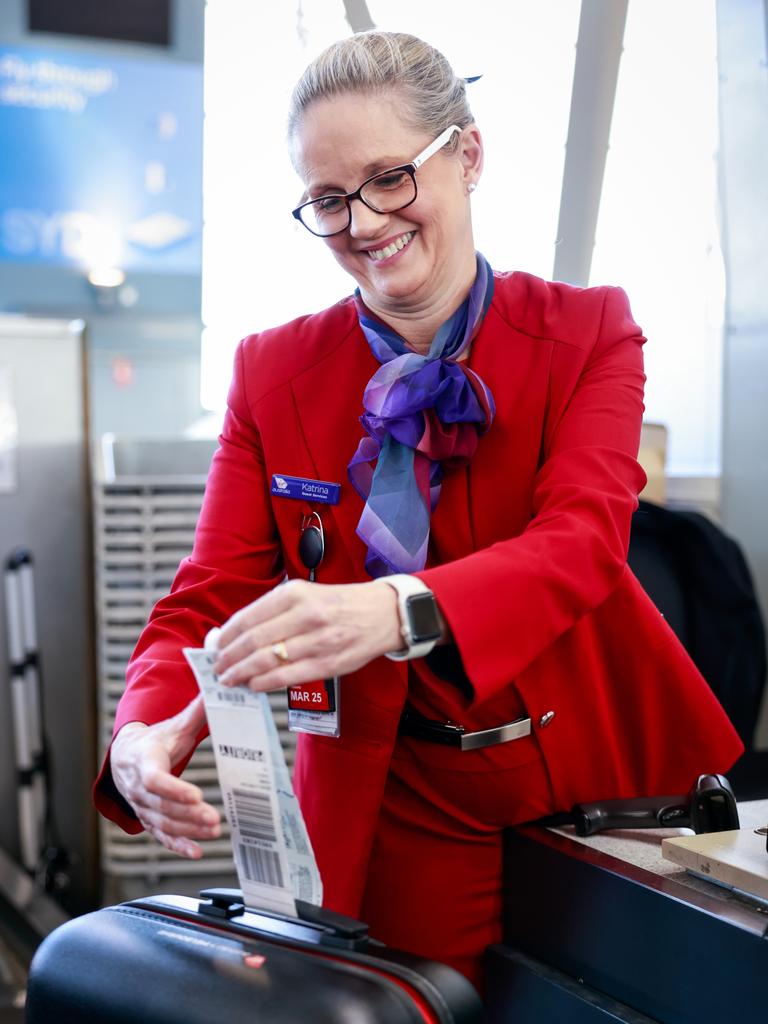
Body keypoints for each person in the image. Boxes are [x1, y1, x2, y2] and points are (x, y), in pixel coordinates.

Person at [94, 31, 743, 989]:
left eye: (390, 177)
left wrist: (390, 609)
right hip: (395, 795)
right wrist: (142, 734)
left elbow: (582, 546)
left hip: (599, 785)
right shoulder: (272, 373)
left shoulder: (587, 332)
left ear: (467, 156)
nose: (362, 221)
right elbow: (205, 599)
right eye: (327, 199)